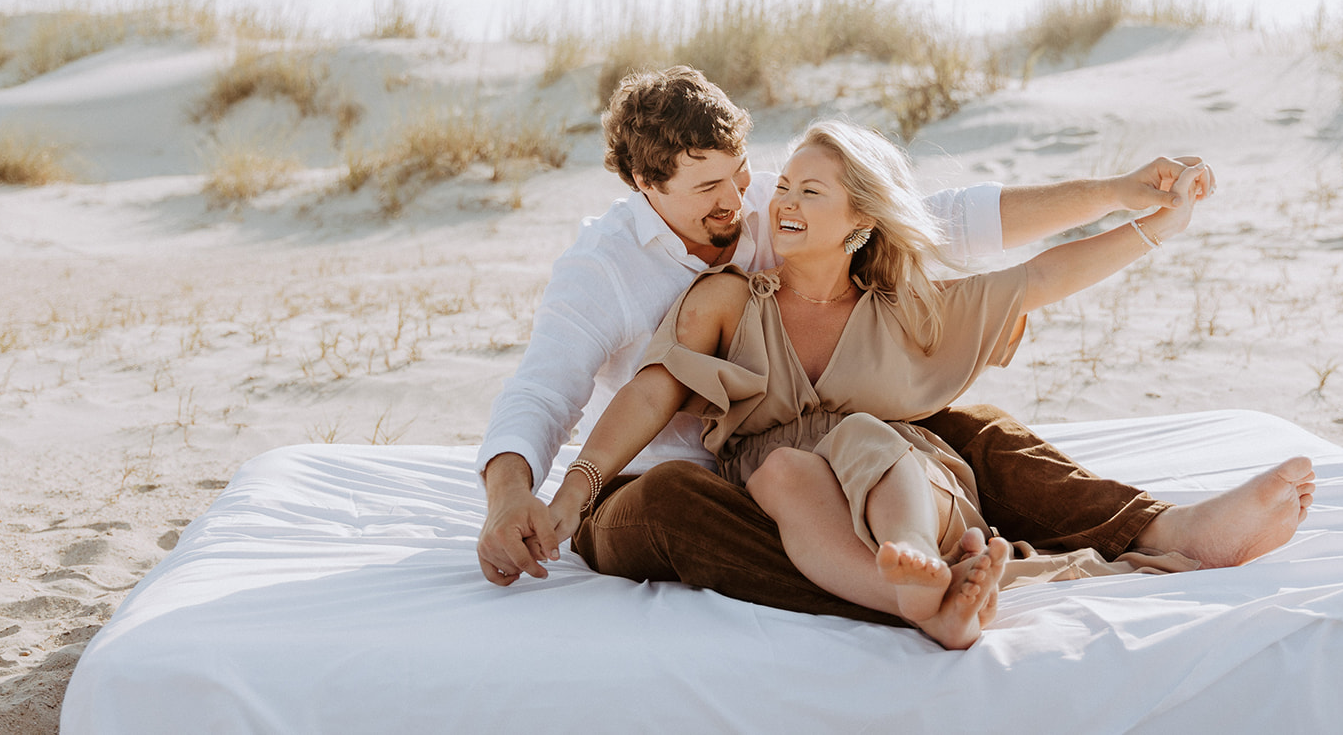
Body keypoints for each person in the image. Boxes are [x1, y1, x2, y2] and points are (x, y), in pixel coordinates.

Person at [476, 66, 1297, 625]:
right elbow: (548, 393)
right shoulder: (604, 270)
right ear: (644, 186)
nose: (742, 205)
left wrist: (1122, 194)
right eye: (707, 193)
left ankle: (1162, 530)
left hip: (847, 458)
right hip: (692, 484)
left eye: (743, 177)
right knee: (675, 502)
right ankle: (906, 594)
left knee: (966, 427)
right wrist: (522, 496)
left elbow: (957, 223)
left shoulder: (778, 199)